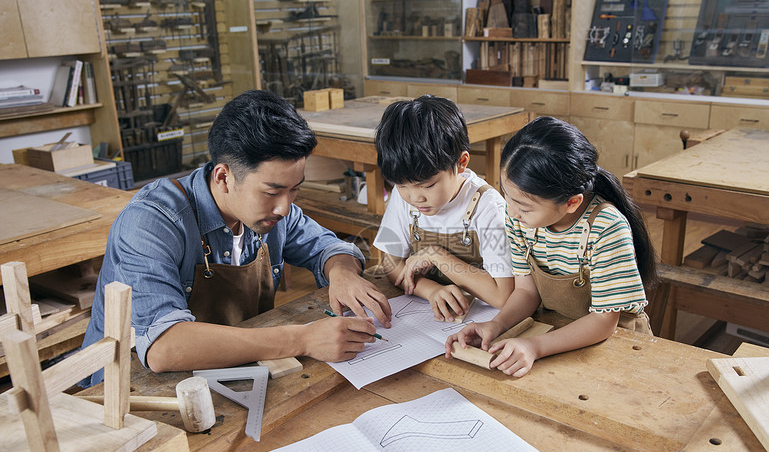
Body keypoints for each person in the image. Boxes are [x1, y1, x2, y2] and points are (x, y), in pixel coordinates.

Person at [81, 90, 392, 384]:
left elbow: (327, 246)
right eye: (272, 191)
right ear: (223, 177)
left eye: (295, 189)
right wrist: (303, 339)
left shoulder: (273, 212)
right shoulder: (151, 222)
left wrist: (341, 272)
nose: (285, 207)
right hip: (131, 391)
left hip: (226, 368)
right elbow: (164, 346)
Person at [446, 116, 657, 377]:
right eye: (506, 196)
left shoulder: (605, 227)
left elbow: (605, 322)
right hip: (555, 330)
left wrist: (535, 346)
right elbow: (526, 291)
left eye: (523, 206)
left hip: (614, 343)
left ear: (571, 202)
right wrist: (495, 324)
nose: (511, 212)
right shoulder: (519, 218)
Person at [372, 95, 514, 321]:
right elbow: (391, 264)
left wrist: (438, 256)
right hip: (429, 318)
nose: (415, 197)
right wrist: (429, 290)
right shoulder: (405, 197)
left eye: (427, 185)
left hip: (480, 319)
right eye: (401, 185)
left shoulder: (488, 207)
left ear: (461, 163)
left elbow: (503, 295)